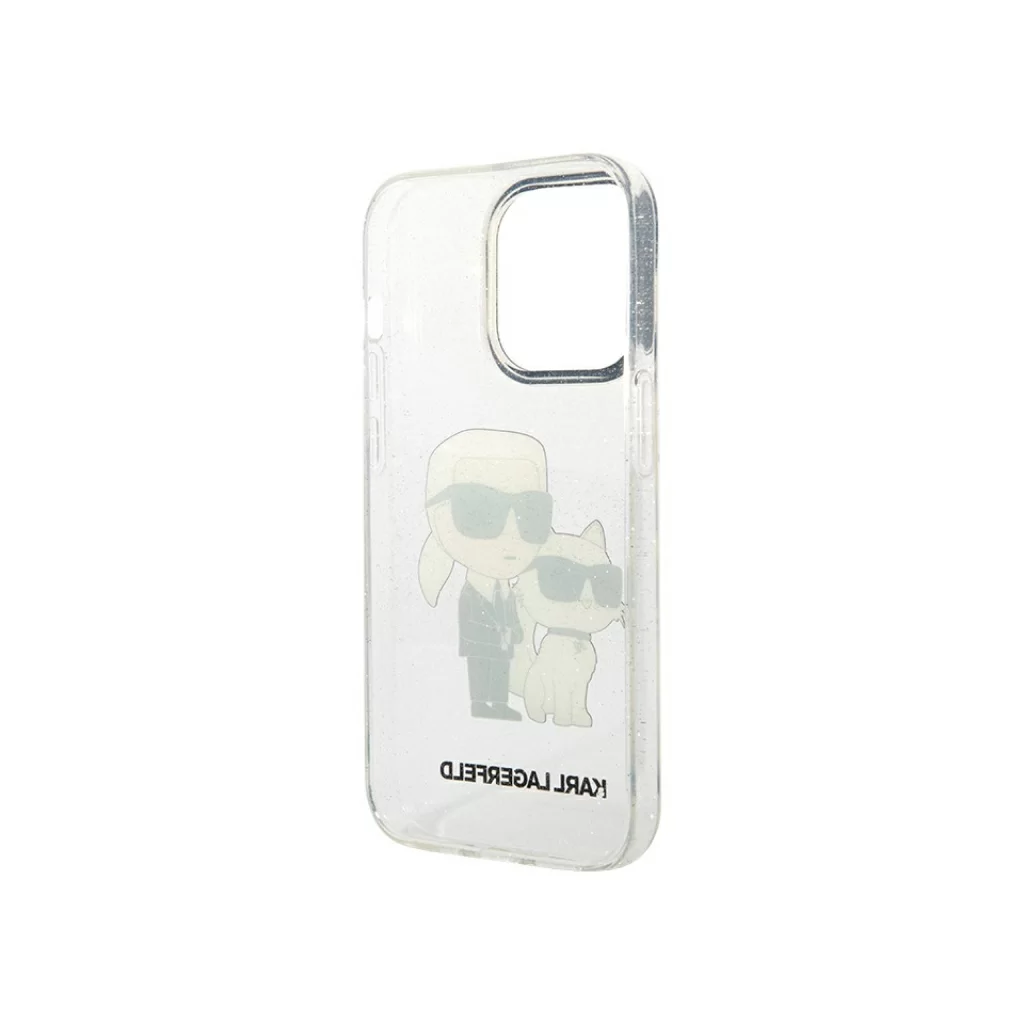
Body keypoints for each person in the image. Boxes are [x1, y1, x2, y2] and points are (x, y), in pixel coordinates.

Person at [418, 429, 552, 720]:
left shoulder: (506, 588)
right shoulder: (473, 591)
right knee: (481, 668)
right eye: (478, 510)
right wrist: (493, 629)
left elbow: (510, 612)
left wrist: (513, 631)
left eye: (531, 512)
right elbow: (471, 616)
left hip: (503, 642)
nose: (511, 531)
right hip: (480, 642)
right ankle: (480, 702)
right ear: (438, 516)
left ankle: (499, 703)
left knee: (501, 668)